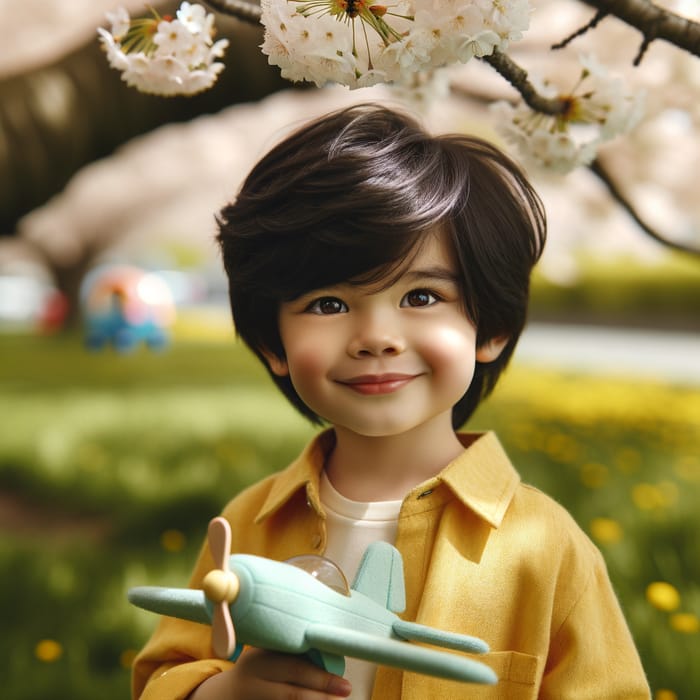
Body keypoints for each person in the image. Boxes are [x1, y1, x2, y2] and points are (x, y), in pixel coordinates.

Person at [132, 103, 650, 700]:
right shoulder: (248, 521)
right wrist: (225, 693)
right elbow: (162, 672)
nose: (376, 337)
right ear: (273, 342)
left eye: (423, 295)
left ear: (491, 328)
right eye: (328, 303)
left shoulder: (545, 544)